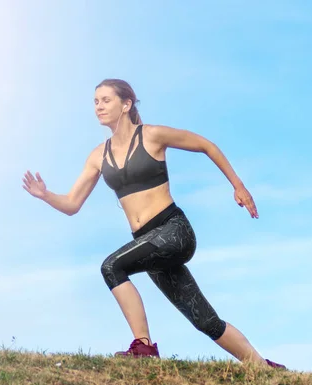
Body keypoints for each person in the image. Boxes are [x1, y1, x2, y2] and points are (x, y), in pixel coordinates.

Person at [21, 78, 286, 369]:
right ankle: (263, 367)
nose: (98, 106)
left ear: (126, 105)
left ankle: (143, 347)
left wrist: (238, 186)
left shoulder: (152, 136)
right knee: (206, 321)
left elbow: (206, 145)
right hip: (148, 244)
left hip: (174, 231)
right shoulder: (98, 155)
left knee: (112, 266)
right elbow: (72, 204)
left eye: (106, 100)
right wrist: (45, 195)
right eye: (95, 101)